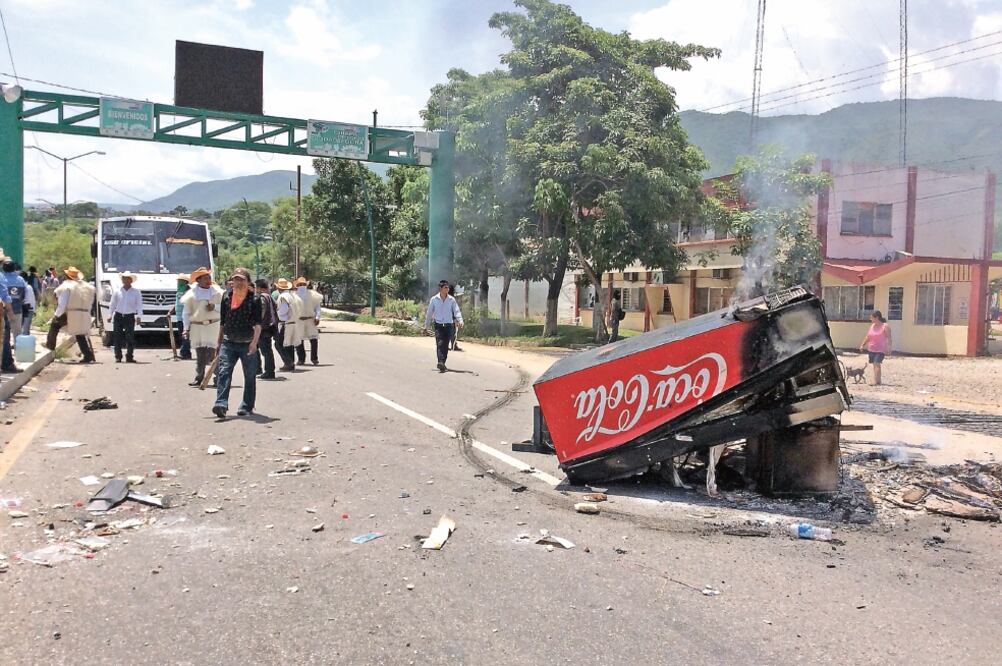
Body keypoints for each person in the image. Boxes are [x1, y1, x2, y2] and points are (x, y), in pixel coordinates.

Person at [212, 267, 262, 419]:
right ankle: (221, 403)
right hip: (229, 342)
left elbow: (258, 324)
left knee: (249, 375)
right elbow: (223, 322)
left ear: (248, 282)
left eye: (241, 279)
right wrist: (219, 342)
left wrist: (254, 343)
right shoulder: (226, 297)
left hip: (247, 343)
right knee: (223, 373)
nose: (238, 282)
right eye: (235, 279)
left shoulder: (254, 299)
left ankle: (246, 406)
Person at [181, 267, 224, 388]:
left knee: (213, 354)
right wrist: (186, 328)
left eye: (209, 277)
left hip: (213, 325)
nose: (208, 280)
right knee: (200, 355)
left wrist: (214, 307)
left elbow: (225, 308)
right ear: (198, 280)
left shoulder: (217, 292)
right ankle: (199, 377)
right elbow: (186, 313)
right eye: (205, 278)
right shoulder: (191, 294)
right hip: (198, 326)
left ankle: (217, 377)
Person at [46, 266, 96, 363]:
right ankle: (88, 355)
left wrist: (56, 315)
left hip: (71, 312)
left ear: (66, 276)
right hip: (83, 313)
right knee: (80, 334)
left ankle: (50, 347)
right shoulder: (86, 286)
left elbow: (62, 304)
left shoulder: (67, 287)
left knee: (54, 326)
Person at [422, 279, 464, 372]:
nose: (447, 289)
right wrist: (426, 326)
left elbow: (456, 311)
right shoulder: (434, 300)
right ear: (440, 288)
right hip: (438, 325)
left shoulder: (451, 300)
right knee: (440, 343)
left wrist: (460, 321)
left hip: (449, 325)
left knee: (445, 345)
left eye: (448, 287)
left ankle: (442, 363)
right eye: (445, 287)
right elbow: (429, 313)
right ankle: (440, 361)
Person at [106, 271, 142, 363]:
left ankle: (129, 356)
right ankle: (118, 356)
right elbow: (112, 304)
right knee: (117, 337)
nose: (125, 280)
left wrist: (139, 316)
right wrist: (110, 315)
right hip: (118, 315)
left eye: (127, 278)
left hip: (129, 316)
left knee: (130, 337)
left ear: (131, 280)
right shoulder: (117, 292)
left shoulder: (136, 292)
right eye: (124, 278)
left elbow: (139, 305)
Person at [2, 259, 29, 372]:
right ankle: (19, 357)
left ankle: (5, 358)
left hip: (3, 311)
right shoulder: (20, 279)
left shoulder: (2, 278)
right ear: (14, 268)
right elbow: (25, 294)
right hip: (17, 310)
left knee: (4, 336)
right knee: (17, 333)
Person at [275, 278, 304, 372]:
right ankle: (290, 363)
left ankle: (288, 362)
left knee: (279, 344)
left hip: (286, 323)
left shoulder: (283, 297)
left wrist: (277, 313)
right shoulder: (292, 295)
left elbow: (283, 311)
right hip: (293, 322)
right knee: (289, 344)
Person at [859, 310, 892, 386]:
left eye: (872, 318)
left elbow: (889, 338)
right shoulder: (872, 326)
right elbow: (868, 337)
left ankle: (875, 381)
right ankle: (878, 380)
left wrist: (889, 348)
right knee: (874, 364)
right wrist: (862, 345)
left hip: (881, 349)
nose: (871, 319)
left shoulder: (885, 326)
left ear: (877, 317)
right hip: (872, 348)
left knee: (877, 363)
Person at [294, 277, 322, 366]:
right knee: (299, 340)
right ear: (297, 286)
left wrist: (317, 317)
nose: (301, 286)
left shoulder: (313, 295)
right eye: (299, 285)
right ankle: (301, 359)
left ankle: (314, 358)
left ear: (306, 285)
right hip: (299, 320)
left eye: (303, 284)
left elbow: (317, 307)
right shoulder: (294, 296)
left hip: (310, 320)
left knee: (313, 340)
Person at [255, 278, 278, 380]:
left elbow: (261, 311)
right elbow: (276, 306)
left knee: (266, 351)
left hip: (264, 328)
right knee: (267, 350)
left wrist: (257, 323)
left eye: (256, 287)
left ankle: (269, 372)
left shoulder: (262, 298)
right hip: (270, 326)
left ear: (259, 288)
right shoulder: (269, 296)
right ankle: (269, 370)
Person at [170, 273, 192, 360]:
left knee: (185, 335)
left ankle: (184, 353)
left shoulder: (188, 291)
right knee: (181, 335)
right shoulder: (179, 290)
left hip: (186, 316)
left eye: (180, 281)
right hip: (179, 316)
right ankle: (186, 353)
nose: (178, 282)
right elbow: (177, 303)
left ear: (185, 282)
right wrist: (170, 312)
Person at [19, 269, 36, 335]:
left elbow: (31, 300)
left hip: (27, 310)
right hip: (25, 309)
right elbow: (33, 300)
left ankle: (24, 344)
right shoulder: (27, 287)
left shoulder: (28, 287)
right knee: (23, 329)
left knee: (25, 329)